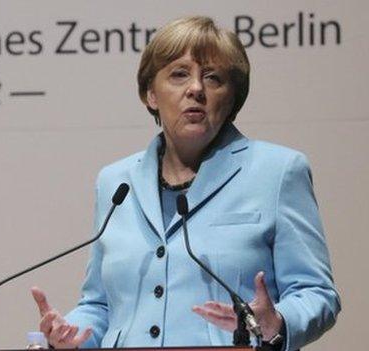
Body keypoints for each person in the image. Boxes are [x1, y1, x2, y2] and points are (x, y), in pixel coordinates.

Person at [31, 16, 340, 351]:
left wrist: (275, 323)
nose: (196, 88)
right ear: (151, 94)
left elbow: (316, 293)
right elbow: (101, 305)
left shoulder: (277, 171)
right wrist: (72, 334)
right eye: (179, 74)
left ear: (232, 97)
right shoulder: (115, 182)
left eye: (213, 78)